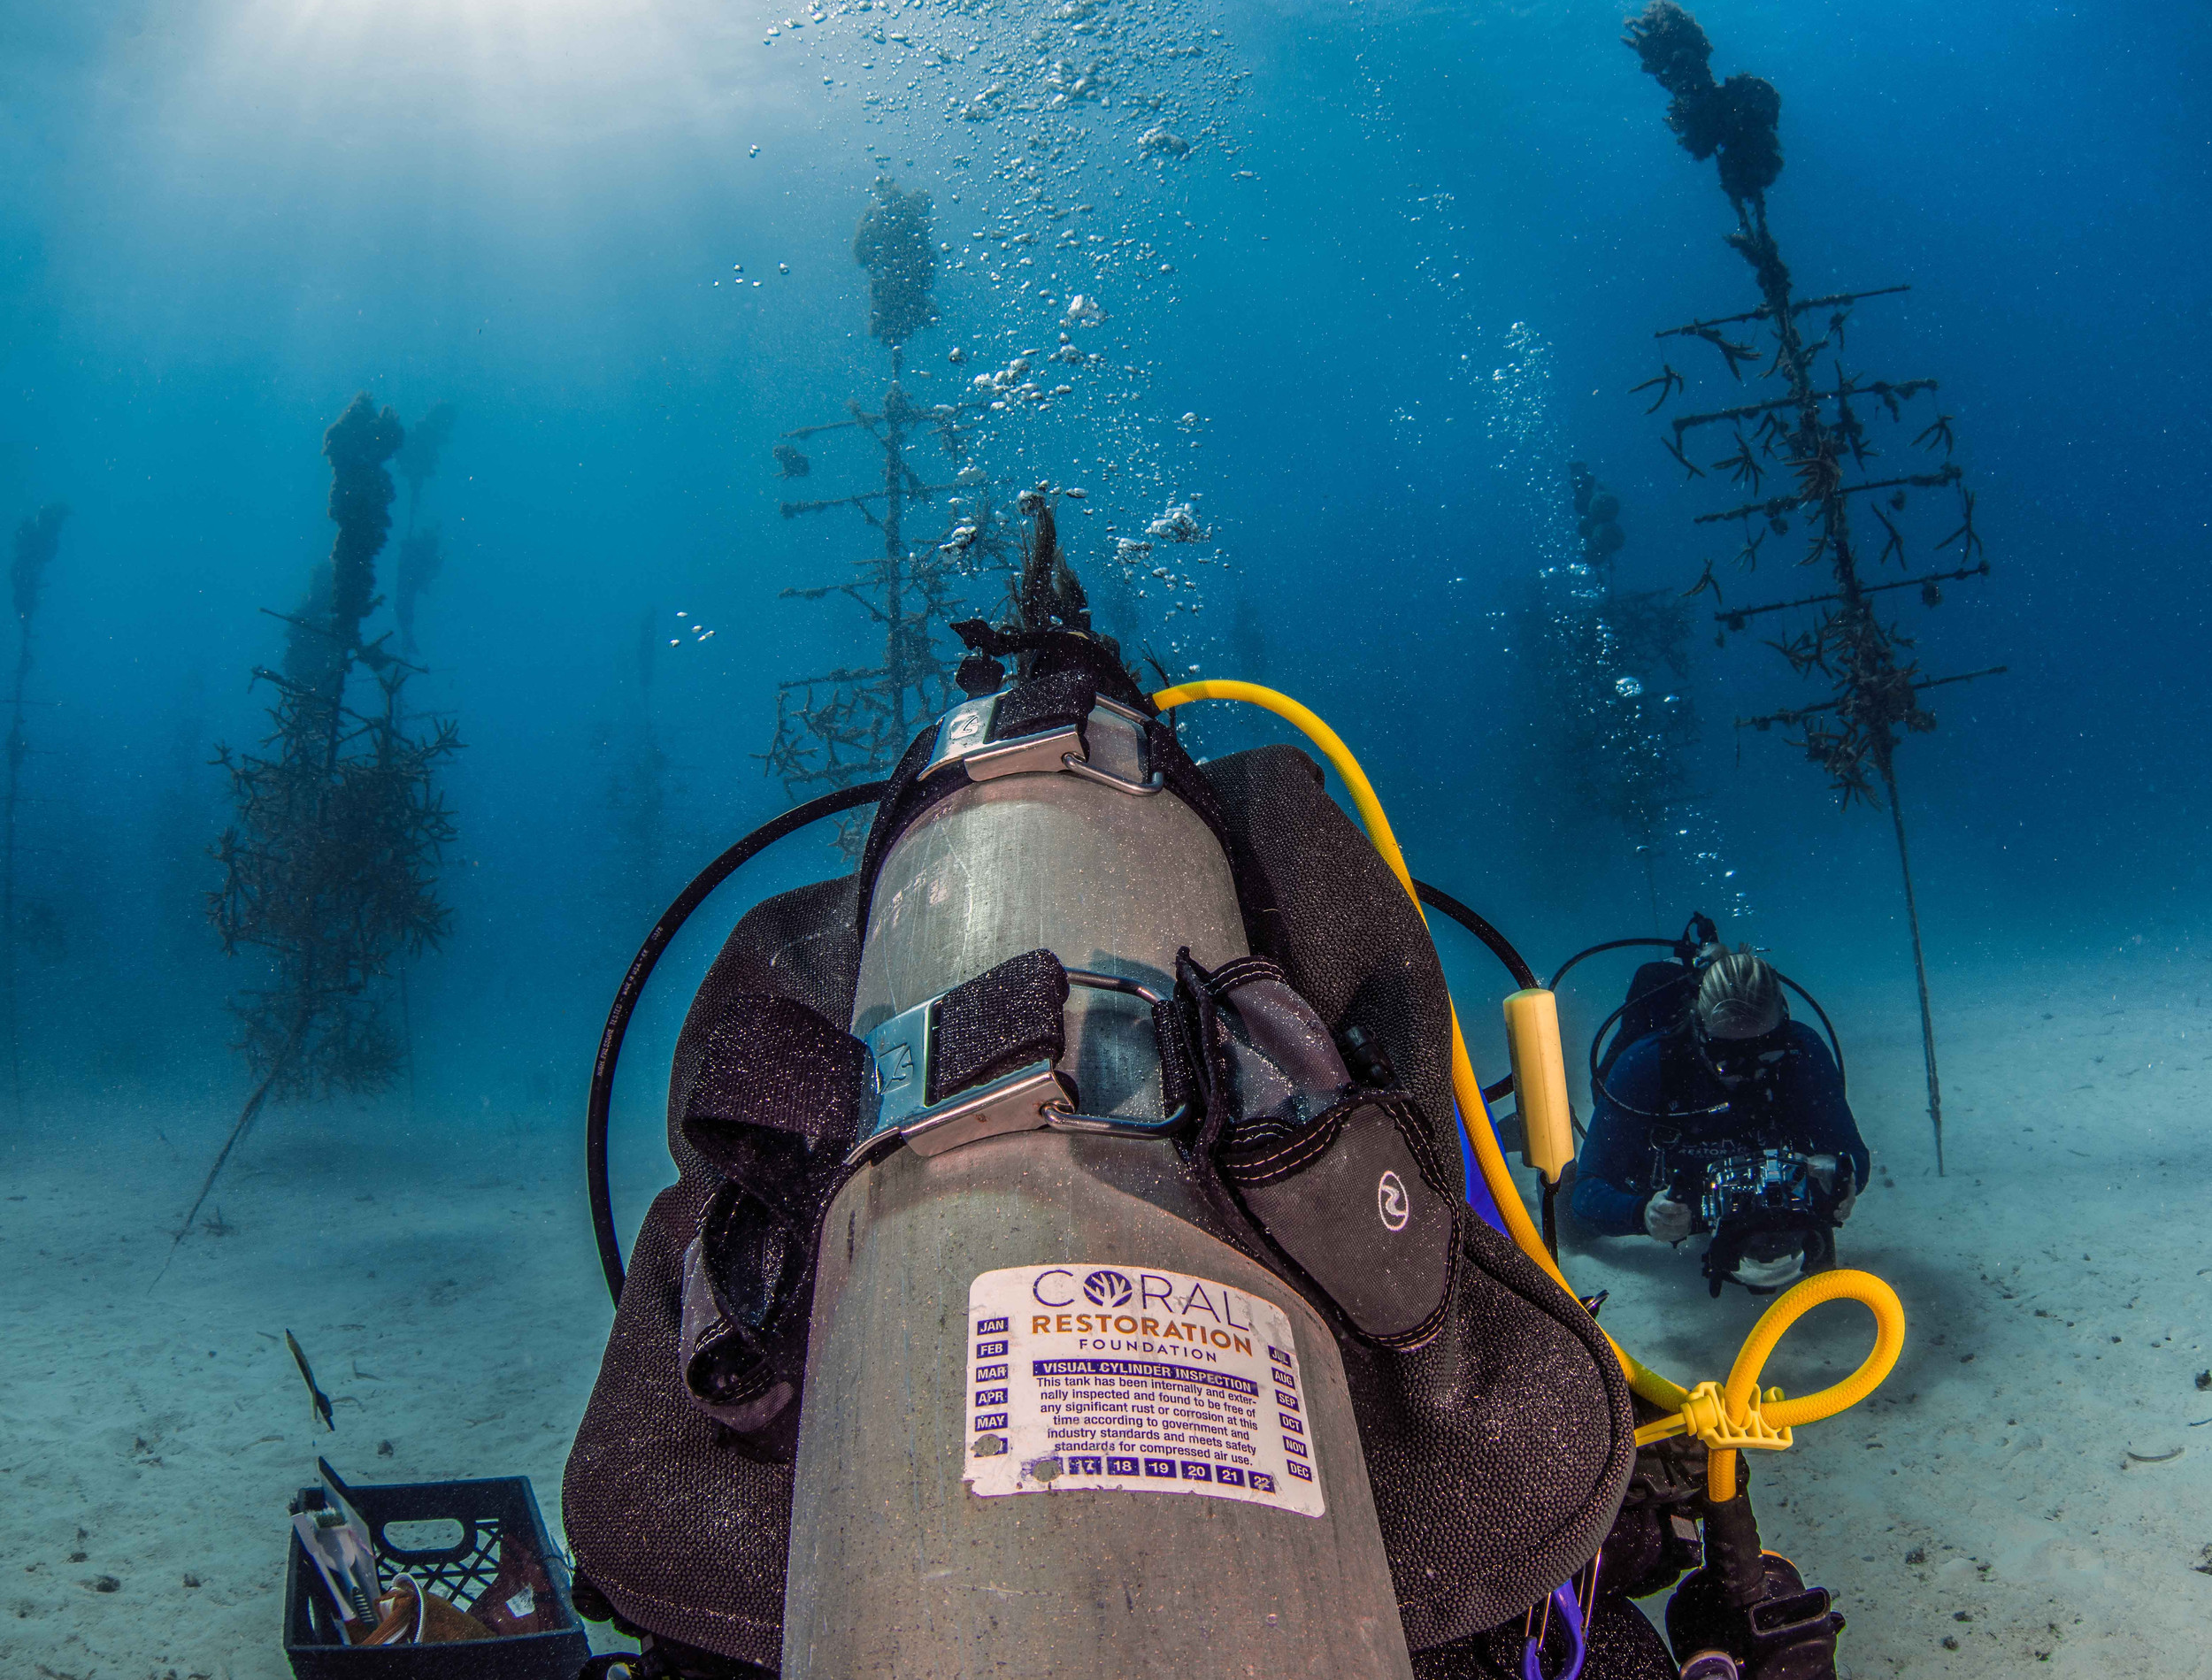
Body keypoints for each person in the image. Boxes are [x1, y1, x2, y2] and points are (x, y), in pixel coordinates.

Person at [1571, 947, 1870, 1290]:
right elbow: (1587, 1196)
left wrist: (1840, 1177)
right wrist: (1642, 1214)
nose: (1747, 1070)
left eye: (1765, 1047)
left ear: (1784, 1024)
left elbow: (1853, 1157)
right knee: (1571, 1228)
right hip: (1672, 1196)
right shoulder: (1646, 1064)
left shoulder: (1802, 1054)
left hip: (1760, 1201)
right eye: (1726, 1055)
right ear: (1697, 1028)